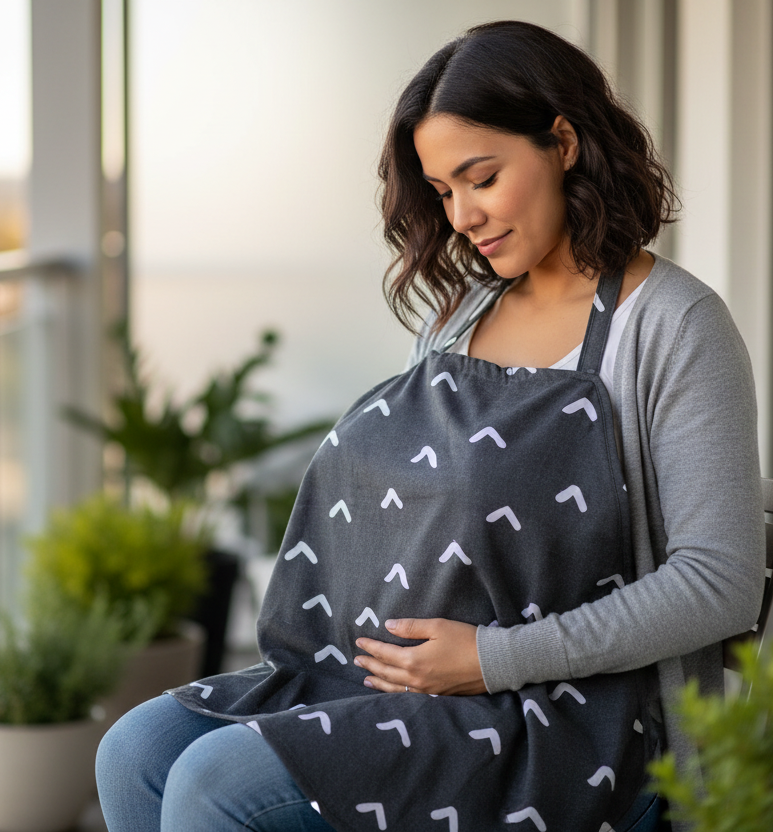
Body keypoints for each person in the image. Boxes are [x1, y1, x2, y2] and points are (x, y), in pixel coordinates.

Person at [96, 20, 764, 832]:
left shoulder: (674, 325)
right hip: (424, 689)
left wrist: (489, 660)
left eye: (481, 178)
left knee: (214, 784)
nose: (462, 217)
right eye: (443, 191)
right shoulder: (461, 319)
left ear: (562, 142)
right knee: (133, 748)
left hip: (578, 722)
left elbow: (721, 583)